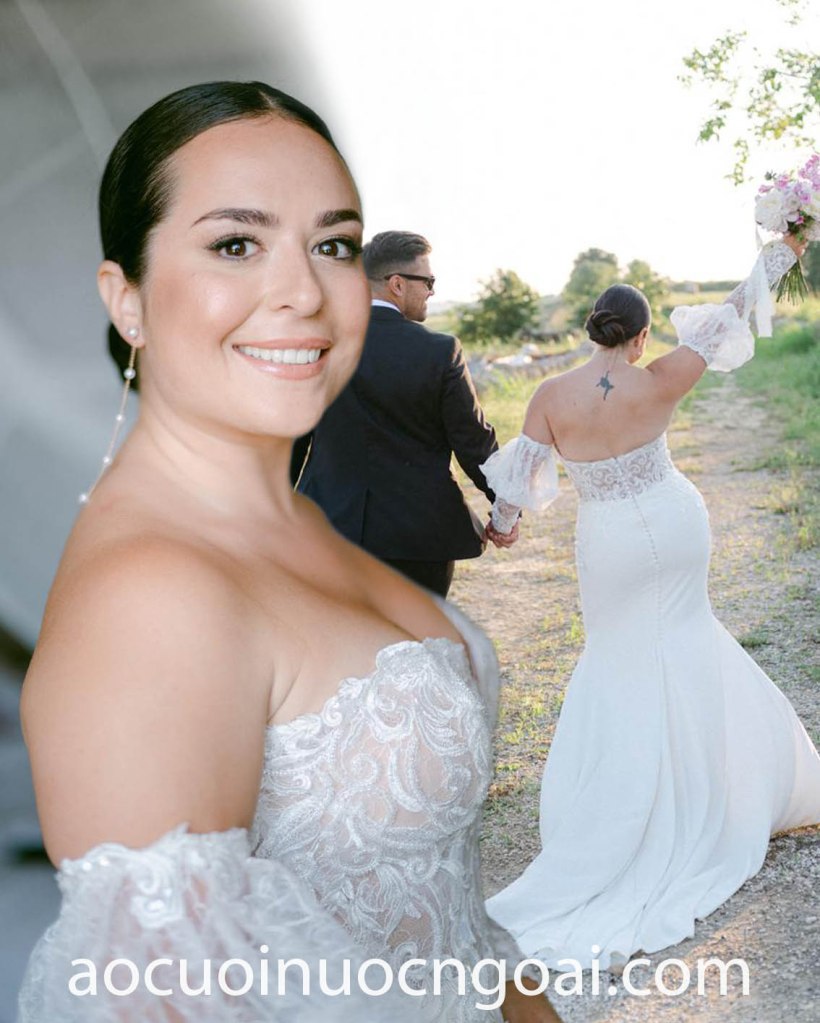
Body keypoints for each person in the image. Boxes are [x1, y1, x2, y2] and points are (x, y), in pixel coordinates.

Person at [17, 82, 560, 1022]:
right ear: (127, 300)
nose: (304, 292)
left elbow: (454, 917)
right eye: (236, 243)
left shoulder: (289, 518)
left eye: (333, 244)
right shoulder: (149, 598)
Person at [480, 234, 820, 971]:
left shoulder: (550, 396)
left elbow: (519, 483)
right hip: (674, 523)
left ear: (592, 330)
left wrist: (501, 526)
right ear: (639, 337)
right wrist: (785, 248)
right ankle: (719, 790)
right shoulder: (663, 376)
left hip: (609, 542)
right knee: (689, 638)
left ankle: (633, 801)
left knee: (621, 657)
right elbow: (734, 310)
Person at [294, 230, 503, 597]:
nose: (432, 292)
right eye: (428, 282)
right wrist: (504, 507)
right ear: (397, 284)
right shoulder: (439, 351)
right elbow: (473, 442)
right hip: (419, 537)